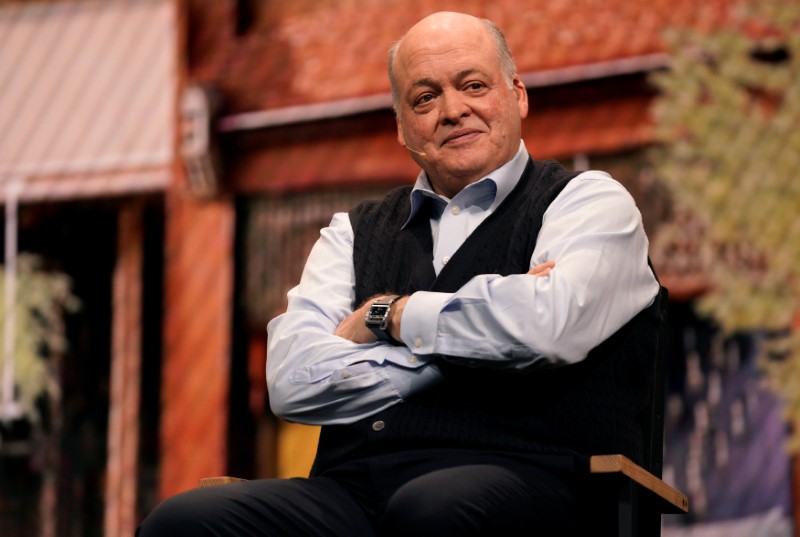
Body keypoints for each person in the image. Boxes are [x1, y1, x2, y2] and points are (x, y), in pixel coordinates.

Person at [139, 11, 663, 536]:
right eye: (425, 98)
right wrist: (484, 338)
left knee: (433, 509)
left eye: (474, 85)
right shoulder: (352, 232)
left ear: (518, 95)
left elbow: (549, 327)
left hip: (535, 483)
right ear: (402, 126)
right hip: (353, 493)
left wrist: (388, 316)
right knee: (183, 523)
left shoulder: (588, 202)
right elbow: (292, 382)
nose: (453, 110)